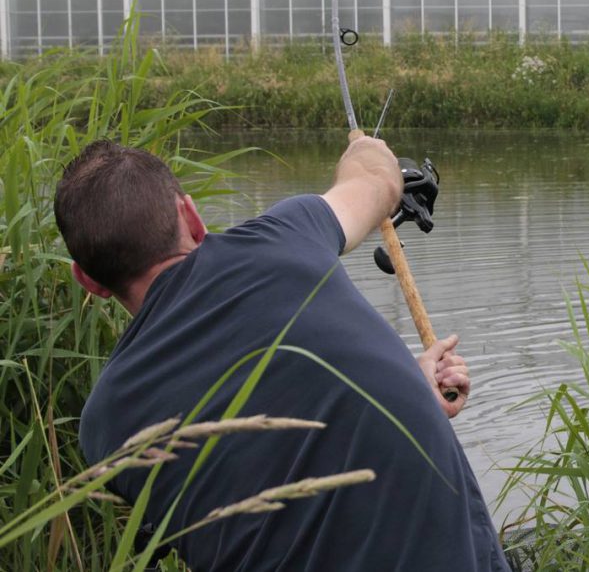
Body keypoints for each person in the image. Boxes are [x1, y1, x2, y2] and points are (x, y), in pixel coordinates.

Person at [55, 137, 510, 571]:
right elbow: (375, 178)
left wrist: (404, 387)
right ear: (191, 217)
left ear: (88, 281)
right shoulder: (289, 235)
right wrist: (367, 150)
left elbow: (257, 480)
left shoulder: (106, 426)